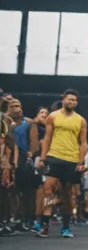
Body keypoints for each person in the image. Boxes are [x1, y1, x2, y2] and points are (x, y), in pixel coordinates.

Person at [35, 89, 88, 238]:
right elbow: (47, 138)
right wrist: (43, 158)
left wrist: (81, 161)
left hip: (71, 160)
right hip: (53, 157)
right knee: (48, 190)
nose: (71, 102)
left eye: (74, 100)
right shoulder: (53, 116)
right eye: (69, 99)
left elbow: (83, 143)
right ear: (63, 100)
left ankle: (65, 227)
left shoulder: (81, 120)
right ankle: (44, 225)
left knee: (67, 194)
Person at [7, 99, 38, 231]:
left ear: (21, 108)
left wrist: (30, 155)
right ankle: (12, 218)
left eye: (17, 106)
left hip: (24, 158)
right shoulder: (5, 122)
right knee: (10, 191)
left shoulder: (29, 122)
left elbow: (34, 141)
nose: (15, 108)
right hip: (8, 158)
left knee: (26, 192)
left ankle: (26, 219)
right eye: (12, 106)